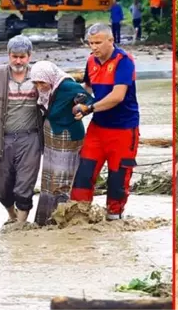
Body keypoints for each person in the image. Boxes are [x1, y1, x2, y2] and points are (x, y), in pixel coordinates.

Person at [69, 23, 140, 220]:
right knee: (84, 173)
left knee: (117, 180)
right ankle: (78, 217)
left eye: (98, 43)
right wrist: (78, 100)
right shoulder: (91, 61)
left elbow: (118, 96)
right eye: (90, 43)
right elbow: (88, 89)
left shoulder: (124, 61)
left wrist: (90, 109)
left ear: (111, 40)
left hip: (124, 129)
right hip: (98, 128)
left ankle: (113, 218)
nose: (94, 47)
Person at [0, 35, 43, 224]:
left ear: (30, 56)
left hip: (31, 139)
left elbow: (57, 90)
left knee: (25, 184)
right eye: (14, 56)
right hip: (1, 138)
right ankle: (11, 216)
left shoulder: (38, 74)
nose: (18, 61)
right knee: (2, 185)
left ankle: (20, 225)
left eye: (22, 57)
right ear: (8, 55)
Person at [29, 61, 94, 226]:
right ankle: (44, 220)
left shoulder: (66, 86)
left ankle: (61, 220)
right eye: (35, 83)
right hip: (52, 135)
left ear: (50, 78)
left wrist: (82, 108)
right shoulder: (49, 89)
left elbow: (89, 100)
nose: (39, 86)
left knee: (62, 179)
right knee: (49, 178)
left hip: (67, 136)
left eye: (42, 82)